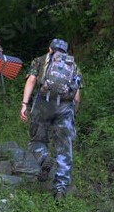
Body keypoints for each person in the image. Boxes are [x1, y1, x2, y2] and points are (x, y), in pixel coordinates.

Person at [20, 38, 82, 201]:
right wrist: (72, 115)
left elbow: (31, 80)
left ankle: (44, 158)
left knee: (36, 140)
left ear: (50, 49)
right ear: (66, 51)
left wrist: (24, 104)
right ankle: (60, 189)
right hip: (65, 108)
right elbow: (77, 97)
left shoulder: (40, 61)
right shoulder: (73, 66)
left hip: (43, 104)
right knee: (64, 148)